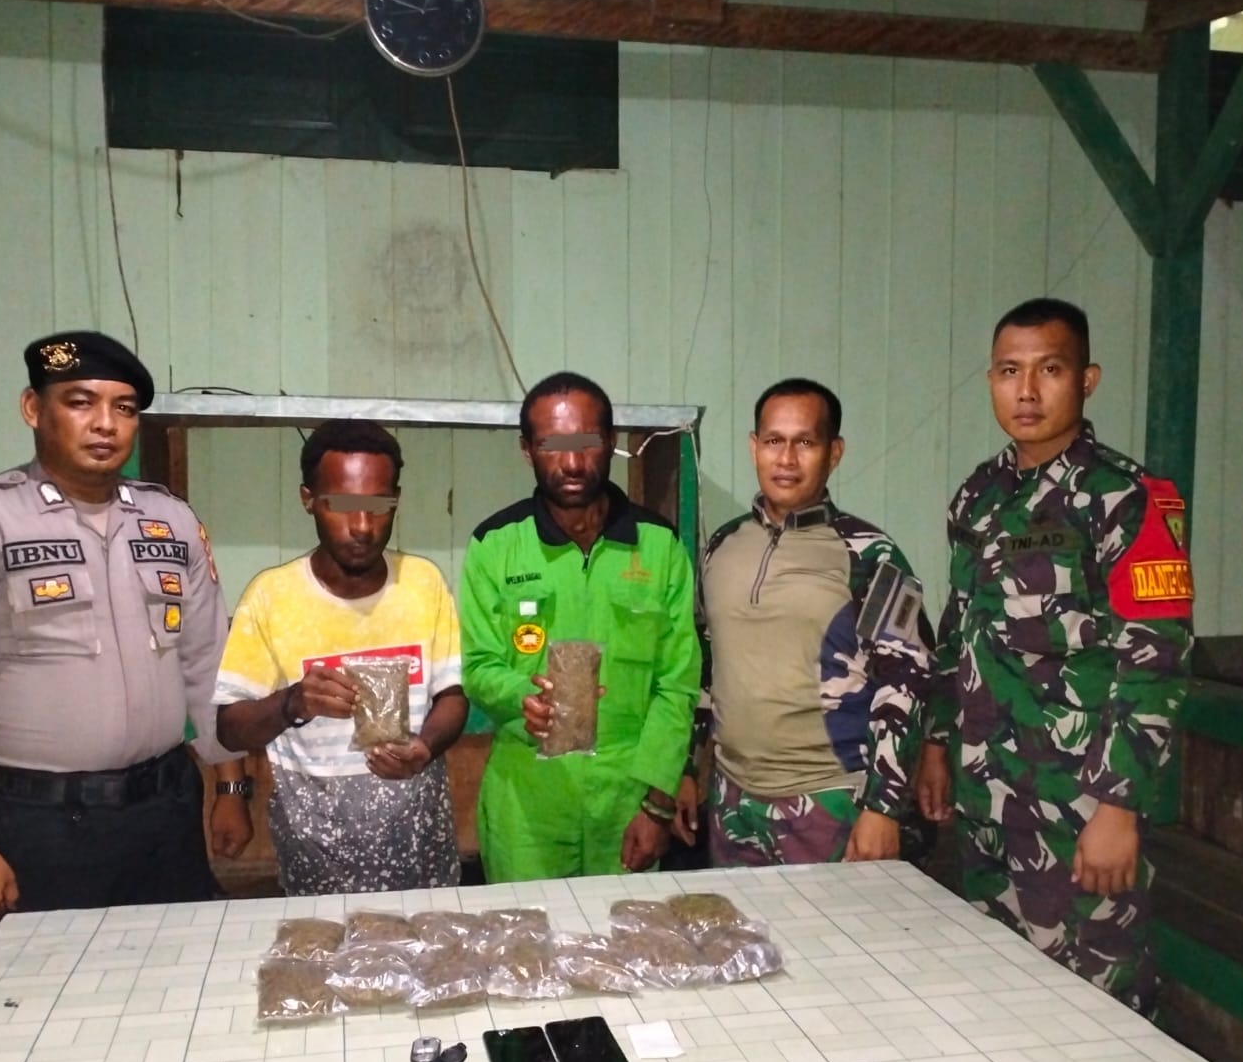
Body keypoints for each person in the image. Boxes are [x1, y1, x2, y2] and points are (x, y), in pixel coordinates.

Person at [0, 330, 242, 922]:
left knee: (176, 964)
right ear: (34, 409)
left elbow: (208, 661)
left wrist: (231, 787)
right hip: (43, 820)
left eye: (124, 408)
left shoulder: (170, 519)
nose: (105, 424)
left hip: (166, 807)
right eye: (81, 402)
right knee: (49, 976)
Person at [916, 298, 1193, 1015]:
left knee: (1098, 1008)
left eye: (1050, 370)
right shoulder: (978, 497)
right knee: (996, 1000)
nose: (1028, 391)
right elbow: (958, 629)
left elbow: (1154, 661)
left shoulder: (1127, 498)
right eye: (1010, 371)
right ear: (991, 380)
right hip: (986, 801)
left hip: (1077, 809)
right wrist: (938, 742)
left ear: (1087, 379)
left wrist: (1118, 807)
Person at [678, 379, 933, 867]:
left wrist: (883, 807)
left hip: (829, 800)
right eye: (774, 440)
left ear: (834, 452)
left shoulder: (869, 554)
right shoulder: (722, 547)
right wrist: (689, 768)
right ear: (754, 446)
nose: (787, 459)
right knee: (738, 919)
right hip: (733, 799)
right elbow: (706, 664)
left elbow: (908, 680)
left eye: (806, 442)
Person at [459, 372, 700, 882]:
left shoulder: (658, 546)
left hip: (628, 794)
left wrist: (657, 805)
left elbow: (677, 683)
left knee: (626, 928)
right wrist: (524, 697)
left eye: (586, 442)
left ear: (610, 442)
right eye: (552, 445)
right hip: (528, 799)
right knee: (527, 928)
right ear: (527, 449)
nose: (571, 462)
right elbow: (478, 666)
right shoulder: (495, 545)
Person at [213, 420, 467, 895]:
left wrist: (424, 748)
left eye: (379, 506)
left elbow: (452, 697)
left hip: (421, 857)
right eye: (342, 505)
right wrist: (292, 703)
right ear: (308, 499)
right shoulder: (271, 596)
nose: (363, 526)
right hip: (318, 865)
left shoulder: (423, 583)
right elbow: (229, 728)